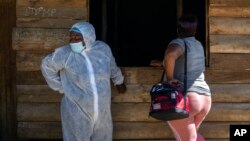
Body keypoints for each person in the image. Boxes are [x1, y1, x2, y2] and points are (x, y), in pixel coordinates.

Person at [40, 21, 126, 141]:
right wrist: (60, 87)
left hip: (102, 108)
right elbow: (46, 66)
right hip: (77, 109)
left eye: (77, 37)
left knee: (103, 136)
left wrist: (119, 81)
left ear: (88, 36)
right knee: (77, 137)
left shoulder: (103, 49)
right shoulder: (65, 53)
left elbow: (111, 65)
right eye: (71, 36)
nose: (73, 40)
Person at [151, 15, 211, 141]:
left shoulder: (179, 42)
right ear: (194, 31)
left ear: (178, 30)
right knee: (192, 138)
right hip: (204, 98)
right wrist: (163, 63)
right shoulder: (198, 45)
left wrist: (170, 78)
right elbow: (186, 62)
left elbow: (171, 55)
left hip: (185, 99)